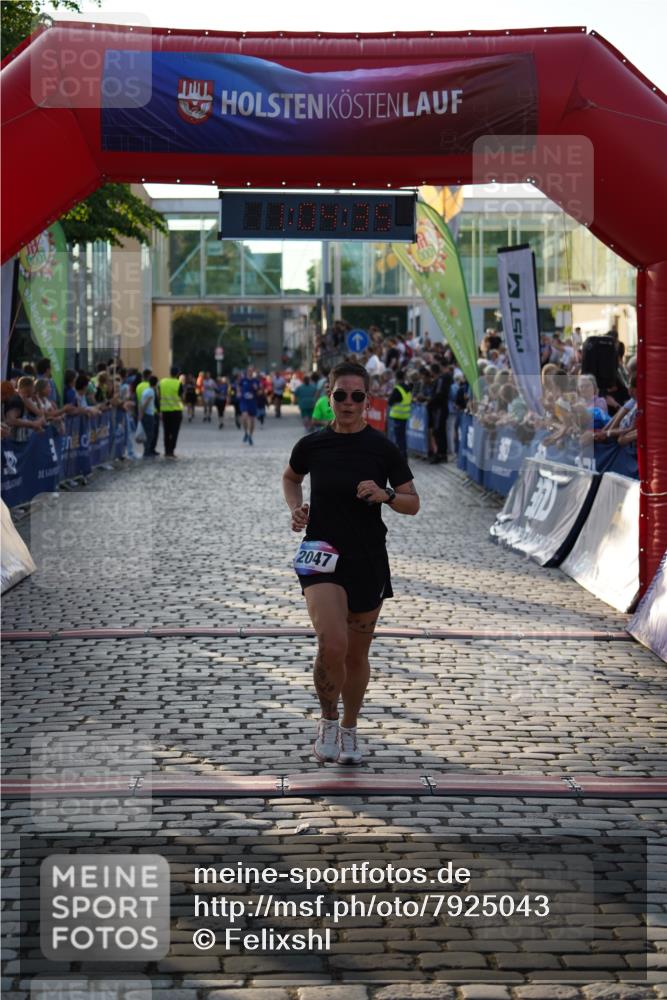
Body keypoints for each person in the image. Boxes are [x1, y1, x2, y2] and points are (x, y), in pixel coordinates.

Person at [282, 361, 420, 766]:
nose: (348, 402)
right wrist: (296, 508)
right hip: (322, 553)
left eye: (356, 396)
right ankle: (327, 721)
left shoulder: (382, 448)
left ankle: (350, 728)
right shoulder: (312, 445)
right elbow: (290, 477)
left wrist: (386, 494)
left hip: (368, 559)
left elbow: (412, 503)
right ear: (329, 397)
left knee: (357, 655)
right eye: (340, 394)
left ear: (367, 400)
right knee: (333, 644)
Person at [159, 365, 184, 459]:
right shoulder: (178, 383)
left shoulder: (162, 382)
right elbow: (182, 397)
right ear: (177, 373)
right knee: (174, 432)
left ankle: (166, 451)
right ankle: (171, 451)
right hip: (176, 411)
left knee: (166, 431)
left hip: (165, 411)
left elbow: (159, 395)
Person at [387, 369, 412, 458]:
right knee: (402, 437)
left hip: (398, 416)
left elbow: (390, 402)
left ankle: (402, 457)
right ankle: (403, 455)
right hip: (405, 416)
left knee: (399, 438)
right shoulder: (408, 387)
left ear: (396, 378)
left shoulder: (398, 389)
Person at [239, 366, 260, 445]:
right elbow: (238, 387)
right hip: (244, 402)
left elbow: (259, 392)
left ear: (253, 372)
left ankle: (250, 436)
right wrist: (239, 392)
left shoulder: (256, 381)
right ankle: (246, 433)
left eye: (251, 371)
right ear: (247, 371)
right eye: (249, 370)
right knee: (244, 417)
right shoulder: (243, 380)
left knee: (252, 420)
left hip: (252, 403)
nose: (250, 372)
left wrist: (256, 389)